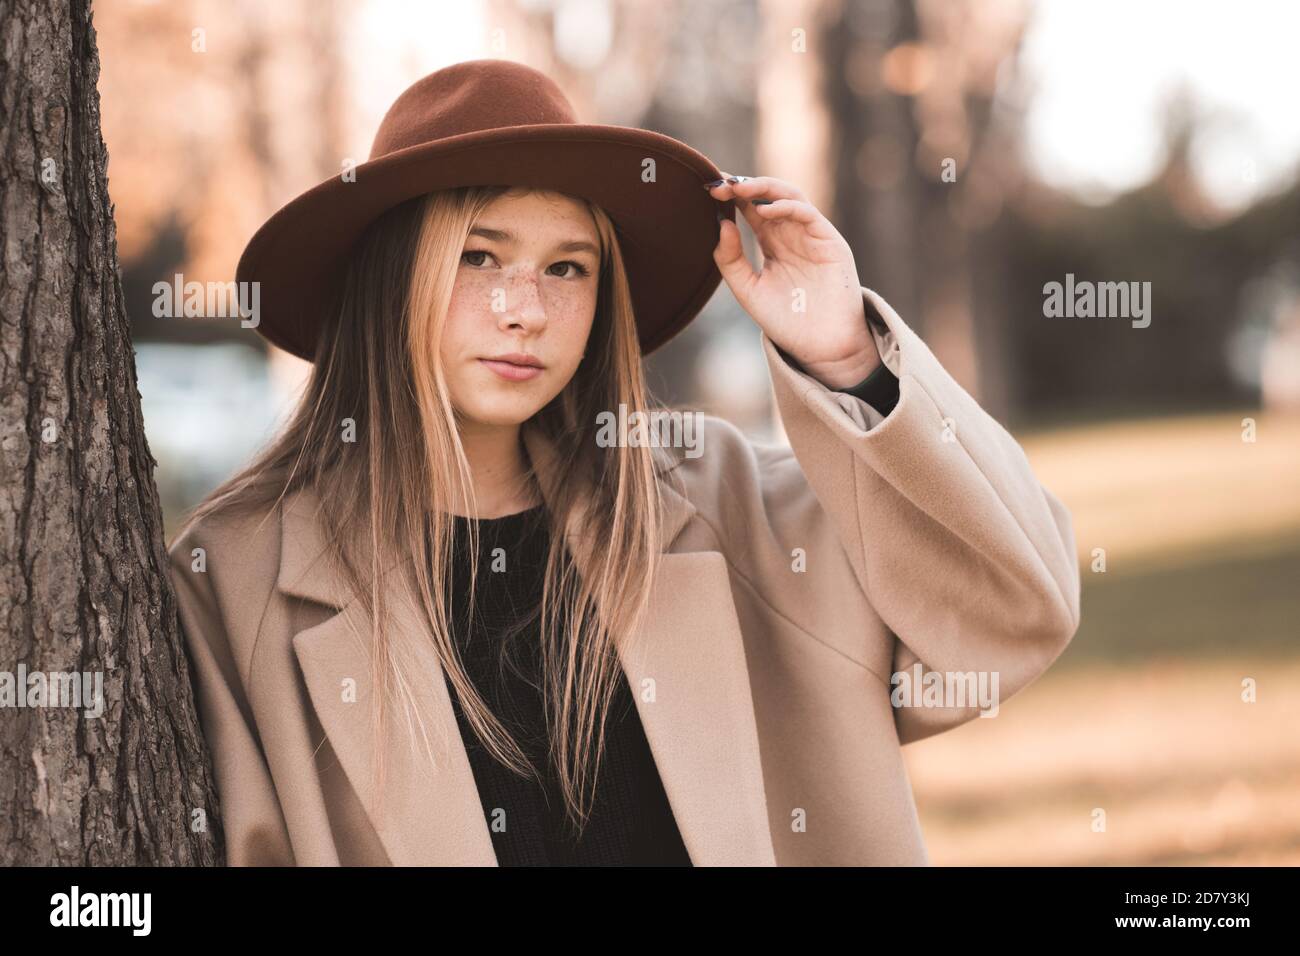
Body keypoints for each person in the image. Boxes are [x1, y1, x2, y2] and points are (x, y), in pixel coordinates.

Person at [166, 59, 1080, 867]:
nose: (526, 310)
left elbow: (1010, 611)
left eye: (568, 269)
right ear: (388, 279)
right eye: (480, 257)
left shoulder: (718, 503)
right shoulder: (240, 579)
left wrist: (847, 357)